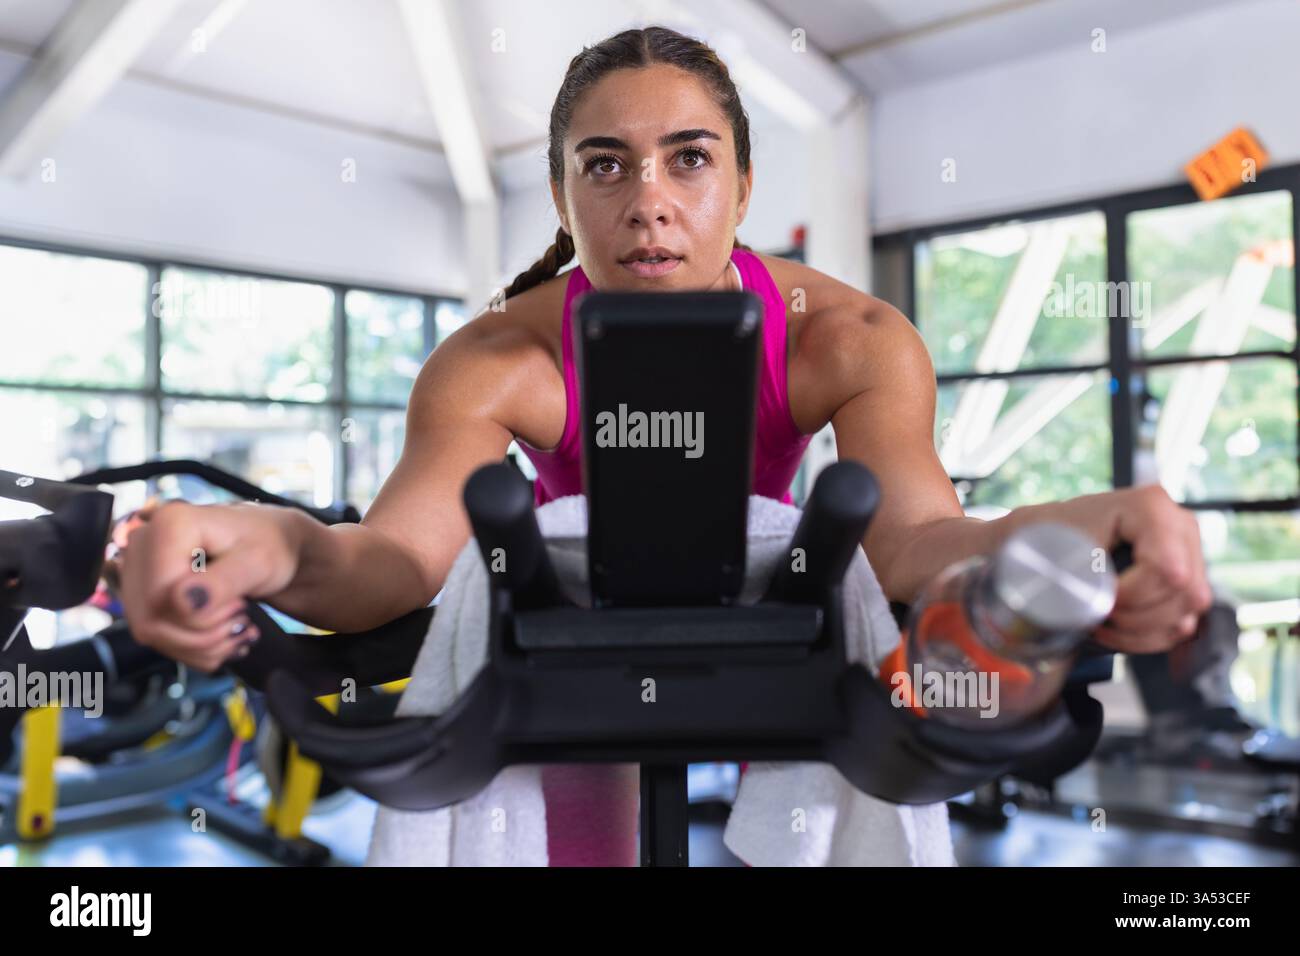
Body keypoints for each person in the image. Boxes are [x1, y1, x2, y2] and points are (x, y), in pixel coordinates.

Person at [115, 26, 1214, 865]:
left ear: (741, 186)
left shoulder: (849, 338)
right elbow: (394, 563)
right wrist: (261, 542)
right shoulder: (498, 358)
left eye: (688, 159)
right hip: (578, 633)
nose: (649, 203)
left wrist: (1073, 533)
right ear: (562, 195)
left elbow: (917, 544)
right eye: (605, 165)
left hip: (772, 624)